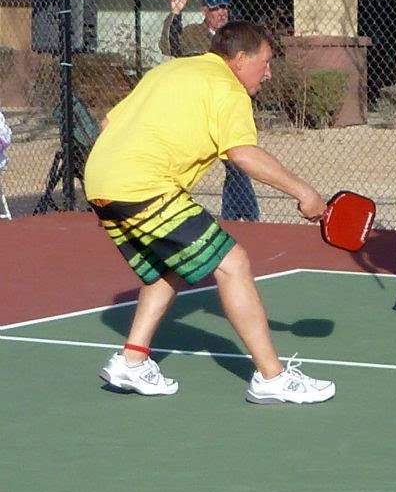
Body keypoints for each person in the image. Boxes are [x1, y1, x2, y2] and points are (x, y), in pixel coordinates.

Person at [84, 21, 335, 404]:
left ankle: (131, 361)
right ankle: (272, 376)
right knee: (232, 263)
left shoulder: (172, 69)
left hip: (99, 180)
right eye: (264, 63)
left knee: (172, 265)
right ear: (239, 59)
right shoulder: (228, 89)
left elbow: (107, 122)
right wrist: (305, 193)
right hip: (143, 184)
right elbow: (243, 153)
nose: (268, 74)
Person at [159, 0, 260, 221]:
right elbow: (169, 46)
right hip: (196, 108)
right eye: (215, 9)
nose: (221, 13)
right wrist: (175, 15)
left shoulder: (237, 37)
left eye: (224, 8)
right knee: (183, 161)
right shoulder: (193, 34)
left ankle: (240, 217)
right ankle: (170, 208)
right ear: (205, 11)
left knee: (236, 161)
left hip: (225, 106)